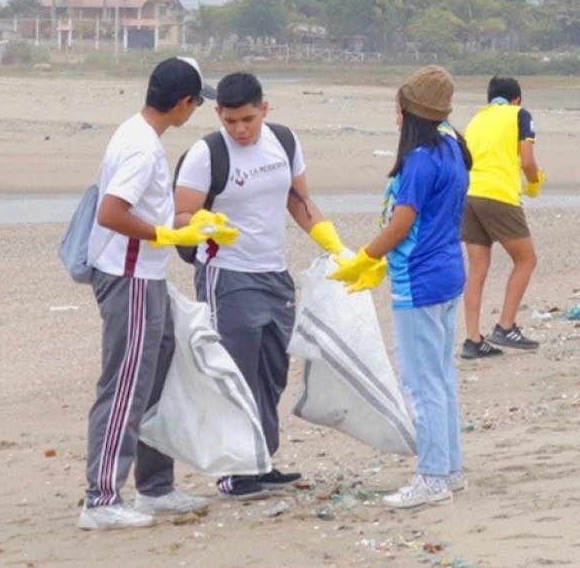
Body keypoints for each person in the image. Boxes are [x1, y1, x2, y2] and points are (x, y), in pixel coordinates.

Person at [78, 57, 239, 531]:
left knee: (156, 373)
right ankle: (102, 498)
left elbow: (150, 209)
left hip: (145, 276)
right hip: (127, 278)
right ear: (184, 103)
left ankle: (154, 486)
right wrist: (167, 237)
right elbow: (111, 212)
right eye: (197, 102)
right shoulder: (141, 149)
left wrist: (194, 226)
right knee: (125, 384)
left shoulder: (139, 132)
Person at [174, 72, 347, 500]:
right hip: (227, 273)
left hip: (274, 273)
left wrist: (334, 245)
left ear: (264, 109)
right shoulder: (205, 154)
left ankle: (261, 461)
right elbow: (179, 217)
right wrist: (202, 224)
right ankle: (234, 470)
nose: (239, 129)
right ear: (218, 114)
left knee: (271, 373)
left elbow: (299, 200)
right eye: (230, 121)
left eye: (247, 119)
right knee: (234, 371)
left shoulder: (284, 142)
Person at [330, 66, 471, 509]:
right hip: (449, 272)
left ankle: (432, 477)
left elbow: (402, 223)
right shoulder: (453, 148)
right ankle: (449, 469)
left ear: (410, 111)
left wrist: (364, 258)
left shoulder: (420, 160)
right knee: (441, 378)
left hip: (421, 280)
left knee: (420, 383)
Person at [458, 76, 546, 360]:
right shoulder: (520, 115)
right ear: (517, 99)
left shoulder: (476, 120)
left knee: (477, 267)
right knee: (526, 259)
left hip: (468, 195)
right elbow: (528, 161)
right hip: (498, 195)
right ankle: (506, 326)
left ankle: (472, 339)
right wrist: (534, 181)